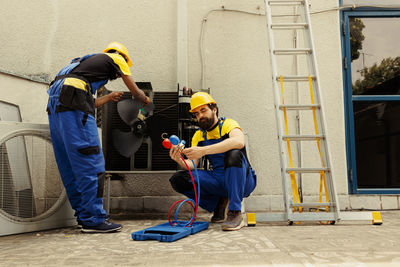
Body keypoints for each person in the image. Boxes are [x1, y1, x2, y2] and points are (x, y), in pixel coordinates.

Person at [46, 42, 150, 233]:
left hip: (56, 106)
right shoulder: (116, 58)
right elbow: (135, 91)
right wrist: (144, 100)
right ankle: (93, 219)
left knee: (70, 163)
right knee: (91, 162)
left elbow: (86, 102)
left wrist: (109, 98)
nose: (117, 76)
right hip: (72, 101)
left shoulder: (79, 63)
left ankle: (84, 216)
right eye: (119, 73)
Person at [169, 92, 257, 231]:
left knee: (234, 154)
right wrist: (179, 159)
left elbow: (239, 142)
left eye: (203, 110)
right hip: (218, 179)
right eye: (197, 114)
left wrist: (204, 150)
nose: (200, 116)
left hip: (243, 180)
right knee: (179, 179)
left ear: (214, 109)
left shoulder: (228, 124)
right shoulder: (198, 136)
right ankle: (218, 205)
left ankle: (235, 212)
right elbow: (193, 165)